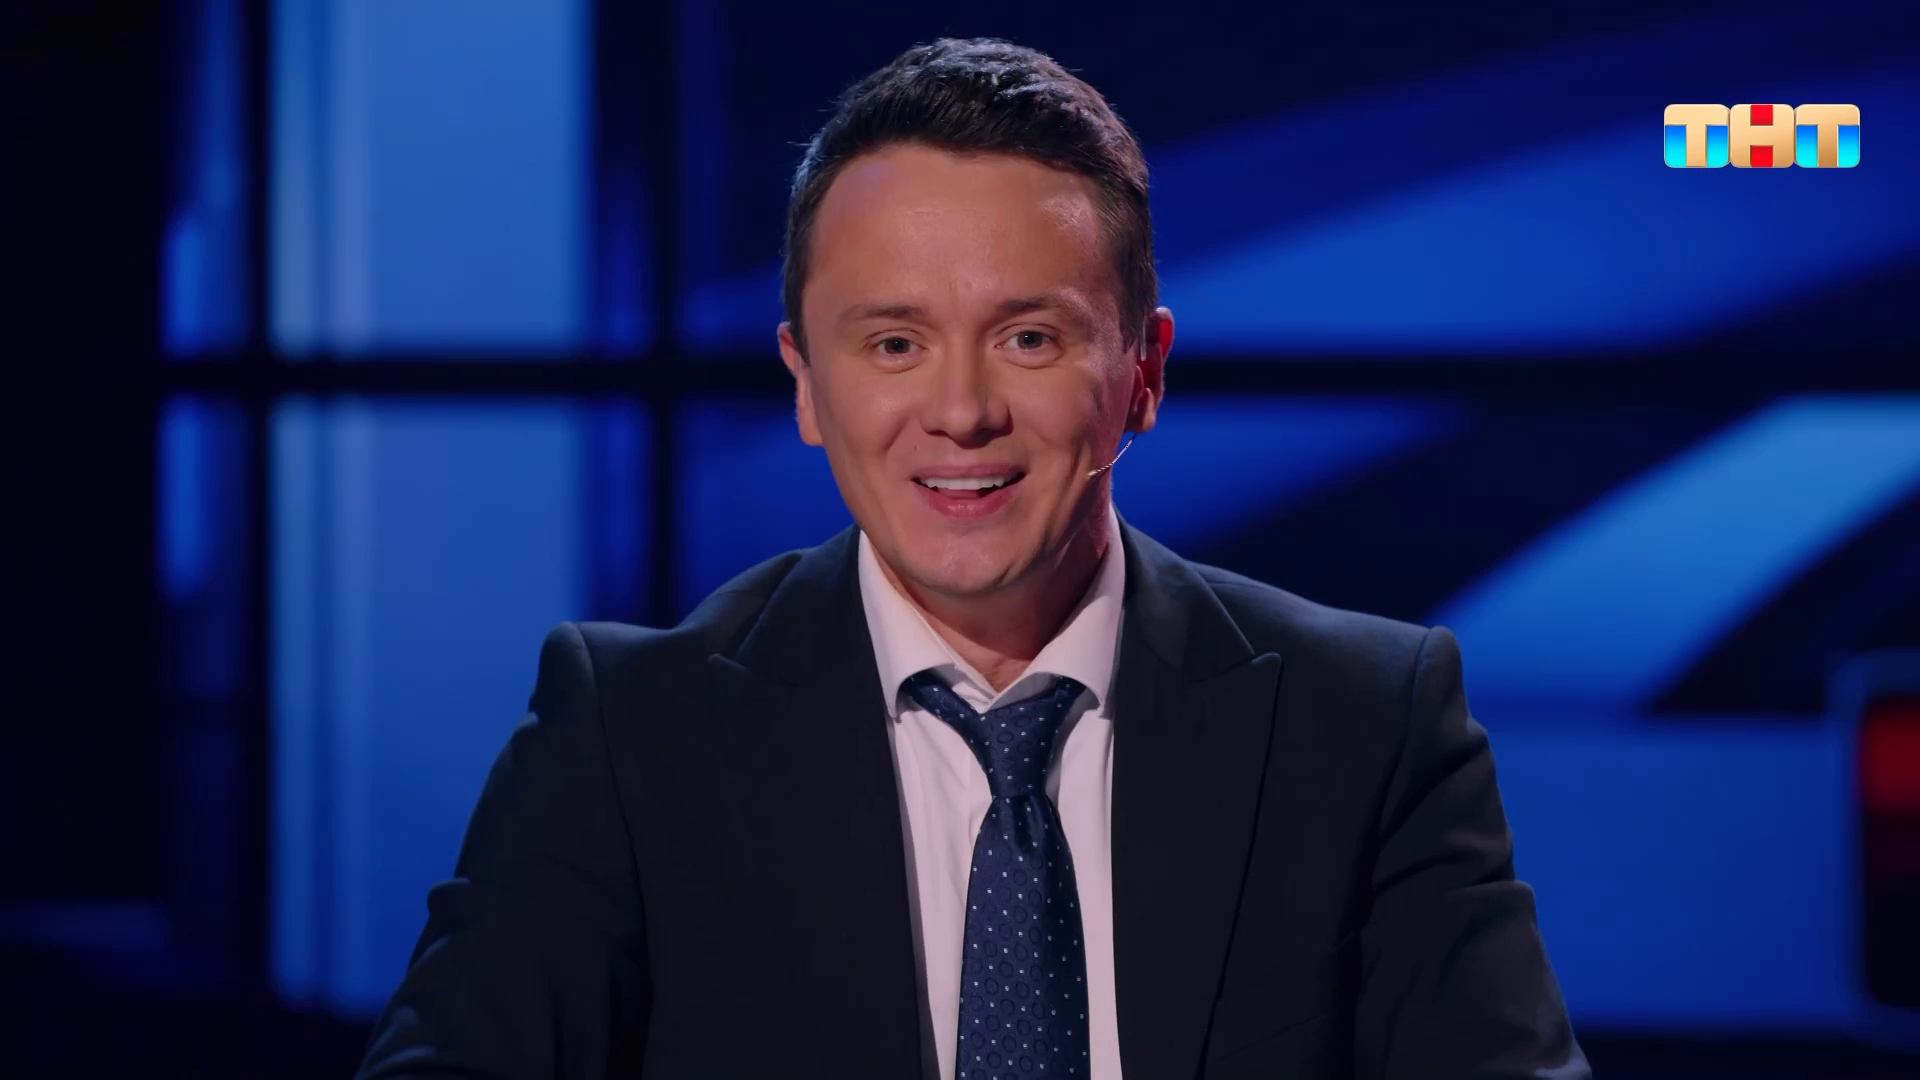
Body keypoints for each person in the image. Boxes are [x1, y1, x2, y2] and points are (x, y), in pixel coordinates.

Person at [357, 37, 1589, 1080]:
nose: (960, 412)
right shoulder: (630, 736)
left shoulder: (1364, 725)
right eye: (893, 344)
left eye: (1029, 338)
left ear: (1144, 372)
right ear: (805, 383)